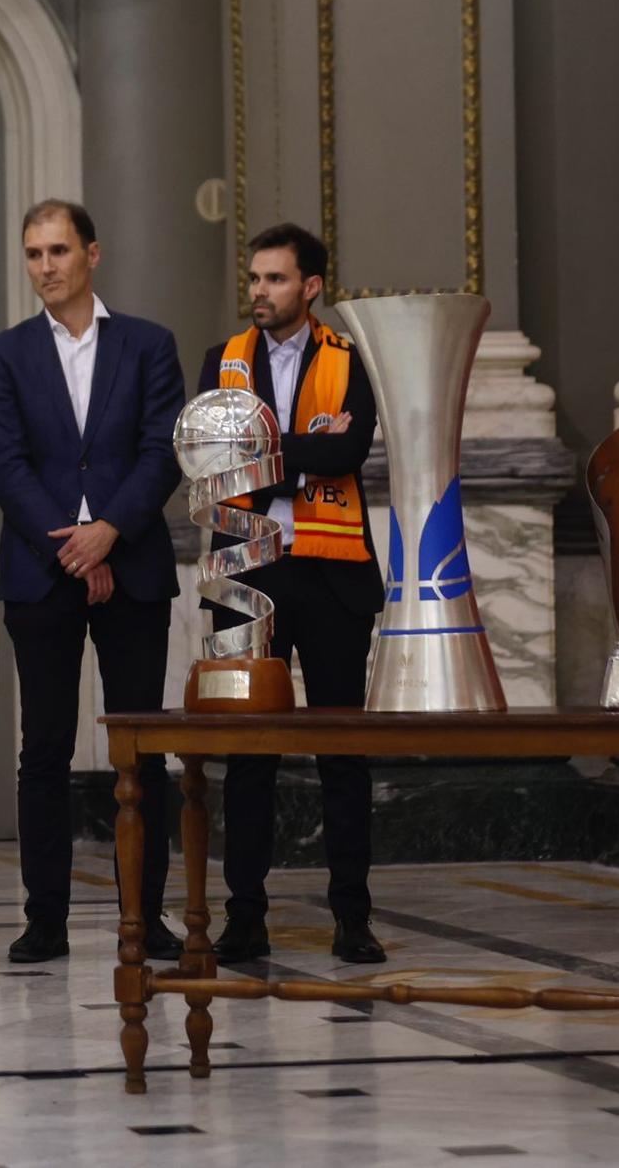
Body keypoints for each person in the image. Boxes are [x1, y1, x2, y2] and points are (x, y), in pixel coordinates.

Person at [0, 200, 184, 965]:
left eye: (58, 250)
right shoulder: (4, 355)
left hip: (131, 565)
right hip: (42, 572)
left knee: (143, 750)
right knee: (45, 752)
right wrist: (74, 546)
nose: (45, 267)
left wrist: (110, 534)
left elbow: (161, 449)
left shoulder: (147, 344)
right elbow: (7, 466)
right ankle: (45, 921)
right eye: (33, 253)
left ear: (92, 254)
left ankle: (148, 916)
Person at [196, 221, 387, 966]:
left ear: (310, 288)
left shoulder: (349, 359)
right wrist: (305, 453)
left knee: (343, 751)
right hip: (248, 575)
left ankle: (352, 917)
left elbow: (350, 448)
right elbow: (211, 458)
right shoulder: (222, 360)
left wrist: (267, 456)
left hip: (332, 573)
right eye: (254, 279)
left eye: (275, 280)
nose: (259, 293)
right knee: (248, 754)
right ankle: (245, 916)